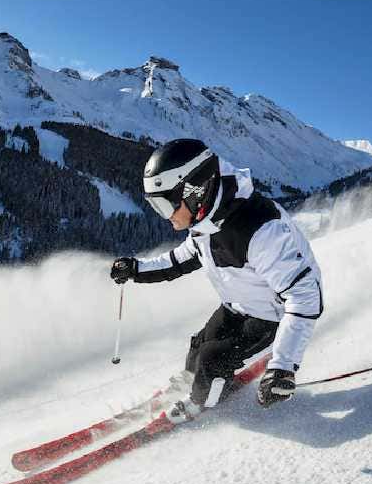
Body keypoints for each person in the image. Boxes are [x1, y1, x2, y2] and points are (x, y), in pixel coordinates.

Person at [110, 139, 323, 423]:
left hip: (273, 316)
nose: (165, 216)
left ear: (194, 190)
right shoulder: (205, 222)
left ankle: (199, 405)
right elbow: (181, 259)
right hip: (238, 304)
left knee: (213, 360)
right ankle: (191, 383)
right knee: (199, 346)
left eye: (165, 205)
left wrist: (283, 367)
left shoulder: (260, 229)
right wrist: (136, 269)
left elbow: (306, 296)